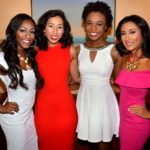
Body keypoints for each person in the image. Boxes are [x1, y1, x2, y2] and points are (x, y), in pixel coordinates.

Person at [75, 1, 120, 150]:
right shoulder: (77, 50)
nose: (93, 28)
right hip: (84, 101)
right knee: (88, 143)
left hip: (104, 103)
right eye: (89, 23)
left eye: (99, 24)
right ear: (84, 24)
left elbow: (120, 83)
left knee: (104, 144)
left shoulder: (114, 51)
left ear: (107, 27)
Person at [34, 9, 80, 150]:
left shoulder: (70, 50)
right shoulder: (34, 51)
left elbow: (77, 78)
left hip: (65, 110)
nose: (55, 32)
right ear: (43, 29)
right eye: (51, 26)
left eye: (59, 27)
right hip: (43, 110)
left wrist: (101, 79)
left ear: (64, 30)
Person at [0, 13, 43, 150]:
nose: (28, 36)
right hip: (14, 118)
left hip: (29, 115)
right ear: (13, 31)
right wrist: (1, 108)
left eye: (32, 32)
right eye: (22, 30)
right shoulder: (2, 56)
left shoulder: (30, 54)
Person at [115, 15, 150, 150]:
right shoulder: (126, 58)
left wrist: (148, 113)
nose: (127, 38)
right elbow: (125, 90)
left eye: (132, 32)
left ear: (143, 34)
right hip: (123, 119)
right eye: (123, 33)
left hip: (138, 122)